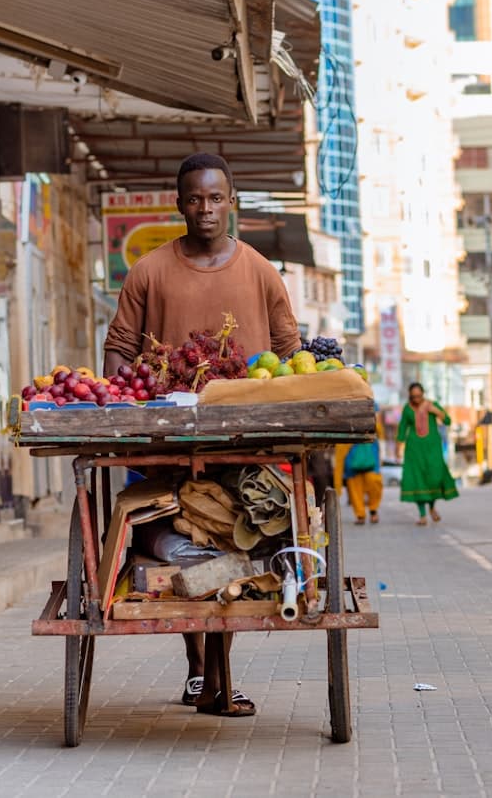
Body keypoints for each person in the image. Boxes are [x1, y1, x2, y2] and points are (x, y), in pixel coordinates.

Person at [103, 152, 300, 718]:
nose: (205, 209)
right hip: (165, 444)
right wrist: (124, 393)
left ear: (231, 202)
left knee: (232, 548)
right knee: (180, 555)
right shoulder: (149, 270)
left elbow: (291, 354)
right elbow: (118, 346)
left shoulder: (261, 270)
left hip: (241, 444)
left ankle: (220, 675)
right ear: (179, 203)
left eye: (216, 198)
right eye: (195, 199)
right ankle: (200, 670)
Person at [396, 382, 458, 525]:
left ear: (423, 394)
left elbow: (448, 420)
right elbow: (402, 429)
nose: (416, 399)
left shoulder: (432, 404)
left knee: (434, 478)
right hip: (414, 450)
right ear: (410, 396)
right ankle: (422, 514)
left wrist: (436, 412)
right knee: (418, 480)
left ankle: (432, 507)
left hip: (432, 449)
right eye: (414, 396)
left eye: (419, 396)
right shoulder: (407, 409)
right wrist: (398, 449)